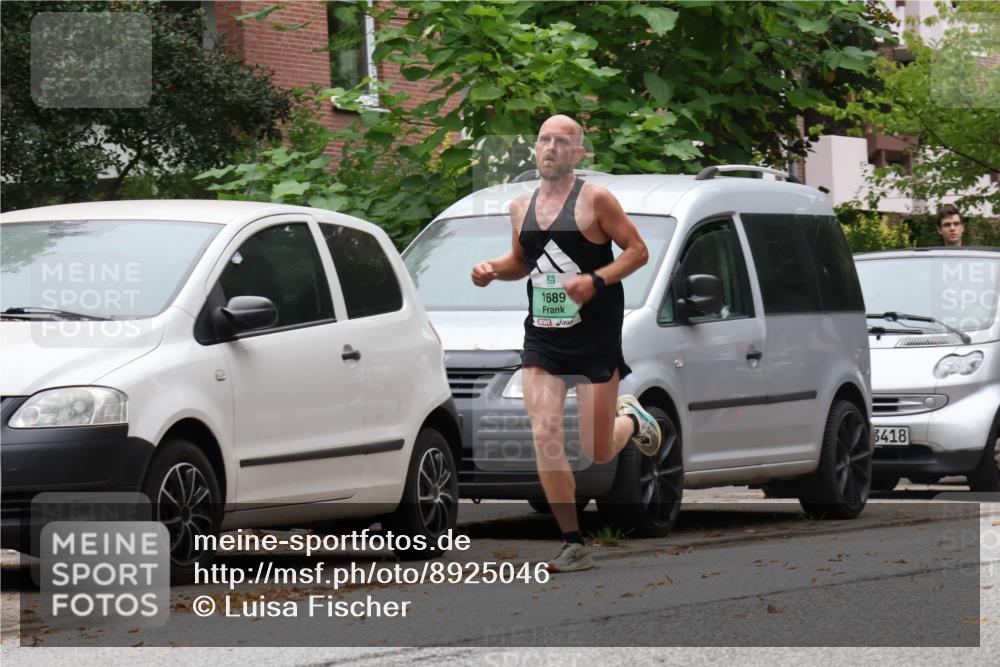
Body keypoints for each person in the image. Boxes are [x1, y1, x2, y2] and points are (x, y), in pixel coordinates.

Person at [470, 115, 662, 573]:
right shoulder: (521, 207)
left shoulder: (596, 199)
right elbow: (522, 262)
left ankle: (630, 421)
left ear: (578, 153)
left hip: (595, 334)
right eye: (544, 140)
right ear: (534, 149)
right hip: (543, 334)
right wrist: (493, 268)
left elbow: (637, 251)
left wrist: (595, 279)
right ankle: (572, 541)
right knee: (546, 434)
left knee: (596, 450)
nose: (550, 147)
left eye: (562, 141)